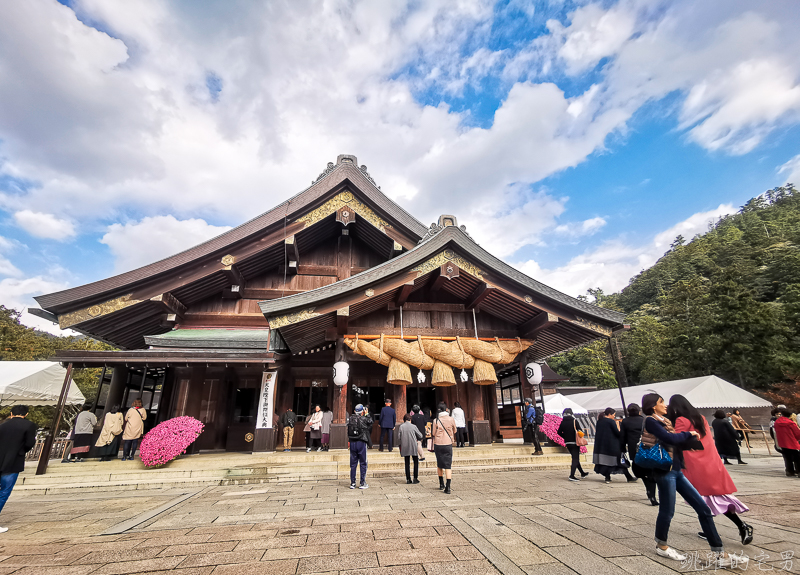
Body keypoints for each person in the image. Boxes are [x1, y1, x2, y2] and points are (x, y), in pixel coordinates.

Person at [641, 393, 744, 568]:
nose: (665, 405)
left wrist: (689, 441)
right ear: (653, 406)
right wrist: (688, 434)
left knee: (703, 509)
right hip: (664, 471)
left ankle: (720, 553)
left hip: (677, 470)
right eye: (661, 402)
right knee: (668, 511)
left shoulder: (665, 421)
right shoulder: (651, 421)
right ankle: (661, 545)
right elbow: (670, 439)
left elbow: (675, 442)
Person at [668, 395, 754, 546]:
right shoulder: (700, 417)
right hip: (710, 460)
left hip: (694, 463)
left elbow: (677, 439)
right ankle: (733, 527)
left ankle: (737, 527)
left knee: (703, 499)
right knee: (714, 498)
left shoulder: (681, 420)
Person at [0, 405, 37, 533]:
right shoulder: (29, 425)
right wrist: (21, 451)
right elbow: (29, 443)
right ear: (26, 414)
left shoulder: (2, 425)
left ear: (11, 413)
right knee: (4, 492)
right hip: (13, 461)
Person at [620, 403, 658, 506]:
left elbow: (622, 437)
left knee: (642, 471)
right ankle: (652, 494)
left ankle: (648, 490)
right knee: (650, 471)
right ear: (639, 411)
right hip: (647, 447)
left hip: (634, 449)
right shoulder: (645, 420)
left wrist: (622, 448)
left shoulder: (625, 421)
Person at [593, 407, 636, 483]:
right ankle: (628, 477)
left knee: (606, 463)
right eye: (613, 415)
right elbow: (617, 433)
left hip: (602, 446)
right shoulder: (611, 422)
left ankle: (608, 478)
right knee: (619, 461)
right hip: (612, 446)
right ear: (609, 414)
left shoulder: (599, 421)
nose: (614, 416)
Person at [431, 402, 457, 494]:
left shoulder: (436, 420)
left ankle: (441, 484)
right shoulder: (451, 419)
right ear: (446, 410)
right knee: (448, 465)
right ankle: (448, 487)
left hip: (438, 444)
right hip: (448, 443)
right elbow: (455, 430)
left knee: (439, 464)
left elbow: (433, 433)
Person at [557, 408, 588, 482]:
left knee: (575, 457)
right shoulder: (574, 421)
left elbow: (558, 432)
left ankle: (582, 473)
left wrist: (565, 437)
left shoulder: (563, 422)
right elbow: (580, 430)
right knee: (575, 459)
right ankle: (572, 475)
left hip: (568, 442)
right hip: (575, 442)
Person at [347, 404, 373, 489]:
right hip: (361, 441)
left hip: (352, 442)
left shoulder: (350, 419)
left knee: (353, 463)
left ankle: (353, 483)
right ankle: (362, 482)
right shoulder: (364, 419)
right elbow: (370, 423)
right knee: (363, 462)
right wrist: (367, 414)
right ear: (362, 411)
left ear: (354, 411)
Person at [774, 408, 800, 477]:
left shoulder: (776, 422)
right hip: (792, 443)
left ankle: (789, 471)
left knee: (787, 458)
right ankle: (799, 471)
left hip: (782, 443)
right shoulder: (791, 423)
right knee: (797, 458)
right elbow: (797, 433)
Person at [399, 413, 423, 484]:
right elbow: (420, 435)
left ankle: (408, 479)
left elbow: (398, 437)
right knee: (415, 461)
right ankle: (415, 478)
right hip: (413, 446)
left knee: (407, 463)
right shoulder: (414, 426)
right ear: (410, 419)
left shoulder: (401, 426)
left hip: (405, 446)